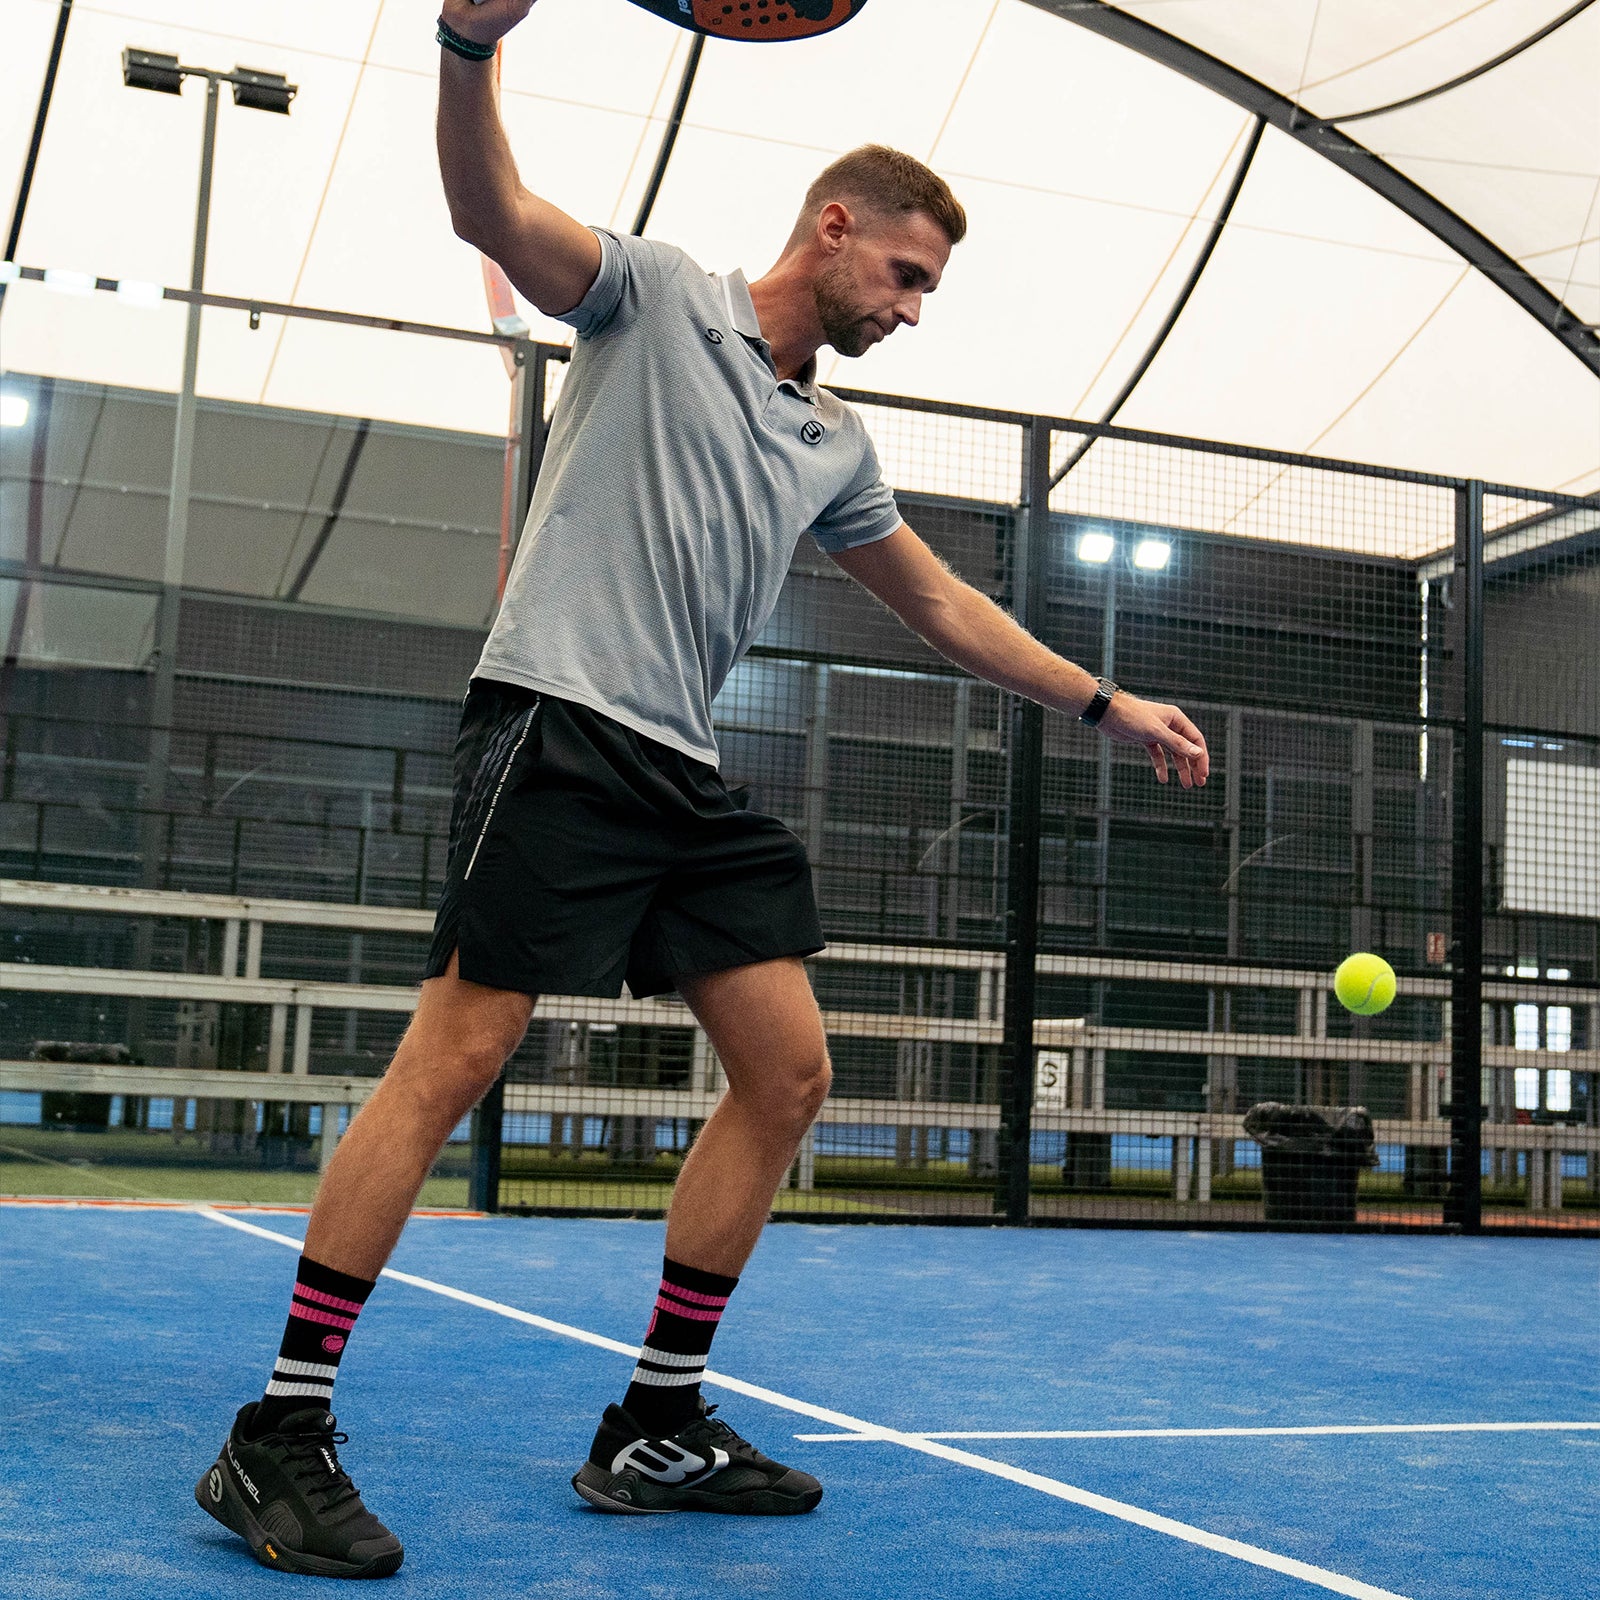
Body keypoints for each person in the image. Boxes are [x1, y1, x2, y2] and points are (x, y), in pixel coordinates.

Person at [195, 0, 1210, 1577]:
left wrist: (1104, 701)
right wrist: (469, 43)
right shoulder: (658, 299)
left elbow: (940, 602)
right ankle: (277, 1432)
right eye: (908, 274)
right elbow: (492, 212)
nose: (917, 309)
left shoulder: (832, 437)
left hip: (681, 770)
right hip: (557, 721)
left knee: (790, 1070)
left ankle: (654, 1424)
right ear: (836, 225)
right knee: (458, 1053)